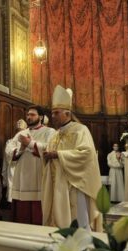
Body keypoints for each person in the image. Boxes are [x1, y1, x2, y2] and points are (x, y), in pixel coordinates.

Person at [41, 85, 102, 231]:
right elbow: (50, 154)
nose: (53, 116)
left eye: (56, 113)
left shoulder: (80, 130)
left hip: (74, 184)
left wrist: (58, 155)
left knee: (78, 220)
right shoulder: (55, 134)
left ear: (67, 113)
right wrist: (46, 156)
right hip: (57, 183)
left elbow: (87, 153)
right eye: (52, 113)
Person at [5, 106, 55, 224]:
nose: (29, 117)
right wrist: (21, 148)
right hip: (21, 178)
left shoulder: (49, 132)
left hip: (38, 175)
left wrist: (30, 143)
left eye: (32, 114)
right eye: (28, 114)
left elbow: (50, 148)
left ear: (41, 117)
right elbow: (9, 151)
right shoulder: (21, 134)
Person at [2, 119, 27, 199]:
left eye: (22, 131)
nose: (20, 133)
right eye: (18, 130)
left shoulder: (29, 141)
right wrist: (18, 151)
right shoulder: (10, 141)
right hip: (14, 166)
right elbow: (9, 155)